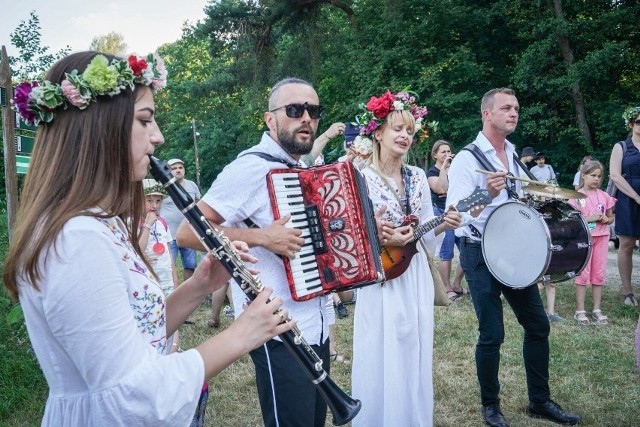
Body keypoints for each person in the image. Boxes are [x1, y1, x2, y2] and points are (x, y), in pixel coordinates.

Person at [2, 51, 292, 426]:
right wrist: (243, 333)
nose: (158, 136)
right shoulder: (75, 241)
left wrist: (201, 283)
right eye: (145, 120)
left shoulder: (97, 224)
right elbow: (131, 396)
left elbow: (139, 335)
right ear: (99, 128)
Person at [176, 77, 336, 427]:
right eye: (294, 110)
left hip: (316, 324)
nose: (306, 118)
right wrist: (261, 237)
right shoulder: (249, 168)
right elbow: (188, 232)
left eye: (313, 110)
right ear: (270, 119)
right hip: (276, 331)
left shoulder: (304, 168)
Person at [446, 88, 581, 426]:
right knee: (492, 333)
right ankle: (491, 406)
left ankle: (540, 400)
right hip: (478, 252)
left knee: (537, 325)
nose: (514, 113)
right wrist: (485, 193)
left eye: (516, 108)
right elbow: (456, 215)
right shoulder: (467, 158)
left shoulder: (514, 155)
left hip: (512, 253)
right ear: (486, 114)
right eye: (506, 108)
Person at [350, 90, 461, 426]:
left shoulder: (416, 177)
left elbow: (425, 232)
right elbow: (348, 233)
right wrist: (378, 234)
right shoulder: (360, 177)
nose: (404, 136)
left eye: (410, 131)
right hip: (380, 274)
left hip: (414, 274)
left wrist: (446, 221)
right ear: (378, 133)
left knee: (413, 347)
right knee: (380, 348)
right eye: (397, 128)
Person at [568, 160, 616, 325]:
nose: (596, 179)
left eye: (599, 176)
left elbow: (611, 218)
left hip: (601, 237)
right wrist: (590, 218)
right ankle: (580, 310)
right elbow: (573, 221)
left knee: (598, 274)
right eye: (593, 175)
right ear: (583, 175)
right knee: (583, 273)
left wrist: (606, 219)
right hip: (585, 239)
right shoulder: (577, 196)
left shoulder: (604, 196)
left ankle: (597, 308)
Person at [141, 178, 181, 350]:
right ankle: (154, 348)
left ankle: (174, 345)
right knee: (152, 316)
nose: (154, 205)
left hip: (165, 279)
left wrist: (174, 277)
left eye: (158, 201)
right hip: (148, 280)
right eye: (149, 200)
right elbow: (137, 249)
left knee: (171, 311)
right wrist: (147, 225)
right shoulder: (131, 222)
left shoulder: (163, 223)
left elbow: (168, 252)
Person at [427, 139, 466, 301]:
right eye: (443, 152)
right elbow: (441, 189)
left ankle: (456, 283)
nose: (447, 154)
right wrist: (444, 169)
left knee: (466, 249)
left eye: (449, 151)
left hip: (459, 212)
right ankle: (446, 287)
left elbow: (462, 188)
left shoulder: (456, 170)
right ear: (435, 154)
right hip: (442, 213)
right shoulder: (431, 172)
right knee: (447, 252)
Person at [609, 106, 640, 307]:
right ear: (631, 124)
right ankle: (628, 293)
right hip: (628, 199)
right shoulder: (621, 146)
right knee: (626, 245)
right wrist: (636, 196)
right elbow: (615, 175)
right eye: (639, 122)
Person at [159, 158, 201, 281]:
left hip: (188, 232)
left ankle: (190, 294)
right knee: (168, 266)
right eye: (174, 168)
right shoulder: (163, 186)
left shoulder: (192, 185)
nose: (178, 170)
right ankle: (171, 292)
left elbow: (198, 205)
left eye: (180, 167)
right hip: (169, 235)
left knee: (190, 265)